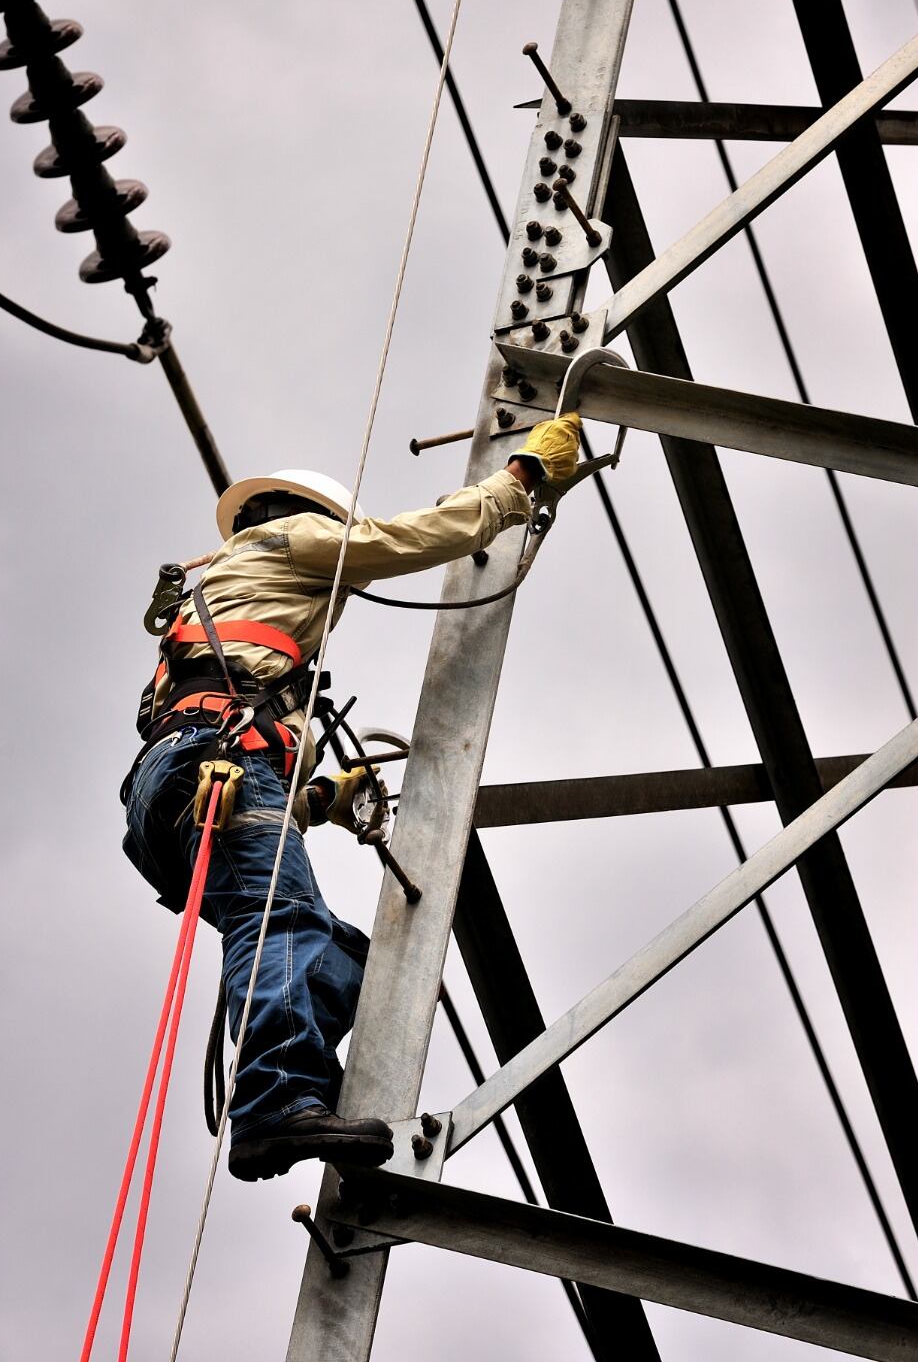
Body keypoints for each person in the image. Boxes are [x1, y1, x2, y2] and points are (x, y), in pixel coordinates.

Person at [121, 414, 581, 1181]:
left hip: (172, 790)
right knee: (282, 920)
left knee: (341, 955)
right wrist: (519, 481)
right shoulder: (291, 540)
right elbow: (410, 538)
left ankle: (312, 1097)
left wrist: (321, 797)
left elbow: (250, 805)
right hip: (218, 764)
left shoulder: (223, 618)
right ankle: (274, 1101)